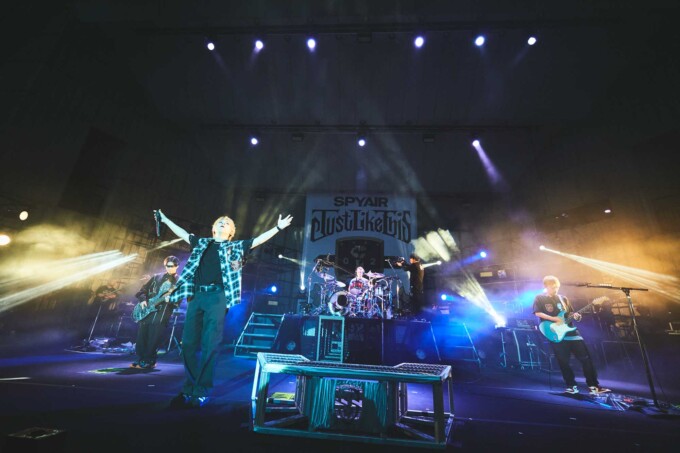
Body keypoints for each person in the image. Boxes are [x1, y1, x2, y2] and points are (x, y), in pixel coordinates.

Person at [158, 209, 293, 408]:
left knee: (210, 343)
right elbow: (182, 232)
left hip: (218, 297)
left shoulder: (235, 246)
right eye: (219, 221)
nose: (223, 222)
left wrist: (278, 228)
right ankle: (188, 388)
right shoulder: (201, 243)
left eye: (227, 222)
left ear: (231, 232)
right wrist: (165, 219)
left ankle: (201, 390)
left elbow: (257, 240)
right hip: (196, 295)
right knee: (188, 344)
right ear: (213, 229)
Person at [533, 275, 611, 395]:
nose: (555, 289)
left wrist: (576, 316)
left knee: (586, 359)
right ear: (546, 286)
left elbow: (570, 314)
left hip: (572, 333)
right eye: (553, 287)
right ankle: (571, 387)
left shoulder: (563, 299)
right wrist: (554, 319)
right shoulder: (540, 298)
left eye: (557, 287)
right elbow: (538, 313)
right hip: (556, 333)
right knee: (563, 362)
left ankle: (594, 387)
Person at [131, 255, 180, 370]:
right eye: (167, 266)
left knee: (154, 337)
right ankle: (140, 359)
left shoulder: (179, 281)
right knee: (142, 336)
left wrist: (171, 300)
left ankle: (149, 361)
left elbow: (179, 299)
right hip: (147, 310)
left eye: (171, 266)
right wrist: (143, 300)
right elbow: (142, 291)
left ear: (177, 266)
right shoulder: (156, 277)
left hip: (162, 313)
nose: (169, 268)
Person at [396, 253, 425, 318]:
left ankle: (416, 316)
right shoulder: (419, 265)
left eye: (410, 259)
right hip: (419, 286)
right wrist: (404, 263)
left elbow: (406, 269)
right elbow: (409, 267)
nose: (410, 260)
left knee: (415, 302)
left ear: (413, 259)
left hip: (415, 287)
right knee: (418, 302)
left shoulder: (414, 265)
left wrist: (401, 265)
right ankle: (419, 317)